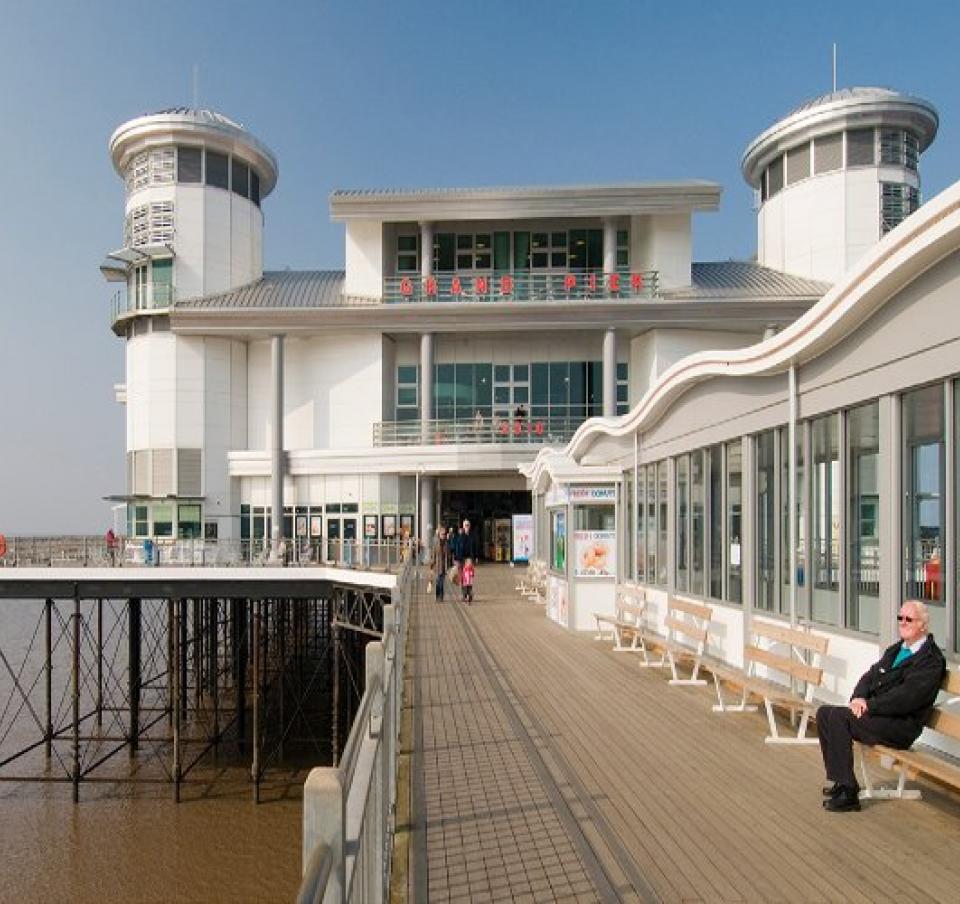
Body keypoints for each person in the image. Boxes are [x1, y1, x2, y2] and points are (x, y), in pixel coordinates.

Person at [815, 599, 945, 812]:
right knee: (824, 713)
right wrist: (858, 698)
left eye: (909, 619)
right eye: (900, 618)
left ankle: (849, 793)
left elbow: (906, 697)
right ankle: (841, 781)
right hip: (880, 716)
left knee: (839, 718)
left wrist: (870, 705)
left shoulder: (930, 659)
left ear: (923, 625)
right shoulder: (897, 649)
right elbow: (870, 676)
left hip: (901, 725)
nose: (903, 622)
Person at [430, 526, 451, 601]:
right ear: (439, 534)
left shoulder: (446, 543)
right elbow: (433, 554)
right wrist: (432, 565)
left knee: (442, 582)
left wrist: (449, 566)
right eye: (442, 534)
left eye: (444, 534)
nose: (443, 535)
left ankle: (441, 597)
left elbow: (448, 555)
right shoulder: (436, 543)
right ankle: (437, 596)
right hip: (437, 565)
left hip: (444, 565)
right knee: (438, 581)